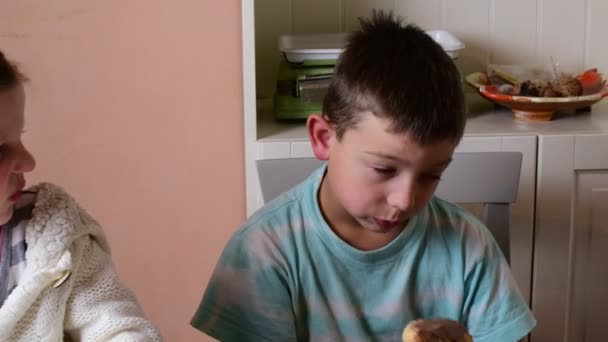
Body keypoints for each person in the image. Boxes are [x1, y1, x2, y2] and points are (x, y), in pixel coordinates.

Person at [191, 11, 535, 342]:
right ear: (324, 138)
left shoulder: (468, 245)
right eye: (383, 169)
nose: (405, 201)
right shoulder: (265, 252)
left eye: (432, 175)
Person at [0, 51, 161, 341]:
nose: (28, 162)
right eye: (1, 150)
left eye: (20, 137)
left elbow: (113, 325)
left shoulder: (54, 232)